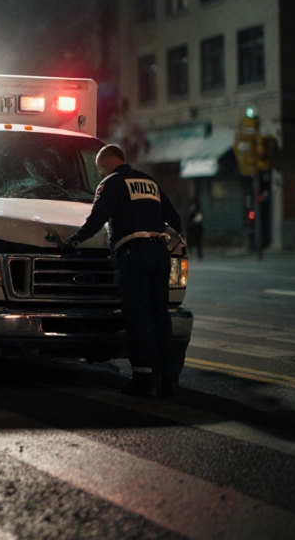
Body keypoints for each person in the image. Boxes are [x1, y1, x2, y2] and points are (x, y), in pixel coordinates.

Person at [61, 144, 183, 398]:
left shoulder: (111, 183)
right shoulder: (149, 182)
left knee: (139, 317)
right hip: (160, 254)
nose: (101, 172)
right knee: (161, 317)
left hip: (134, 255)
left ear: (105, 163)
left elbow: (97, 219)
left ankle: (143, 379)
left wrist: (74, 240)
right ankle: (169, 380)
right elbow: (175, 220)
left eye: (100, 168)